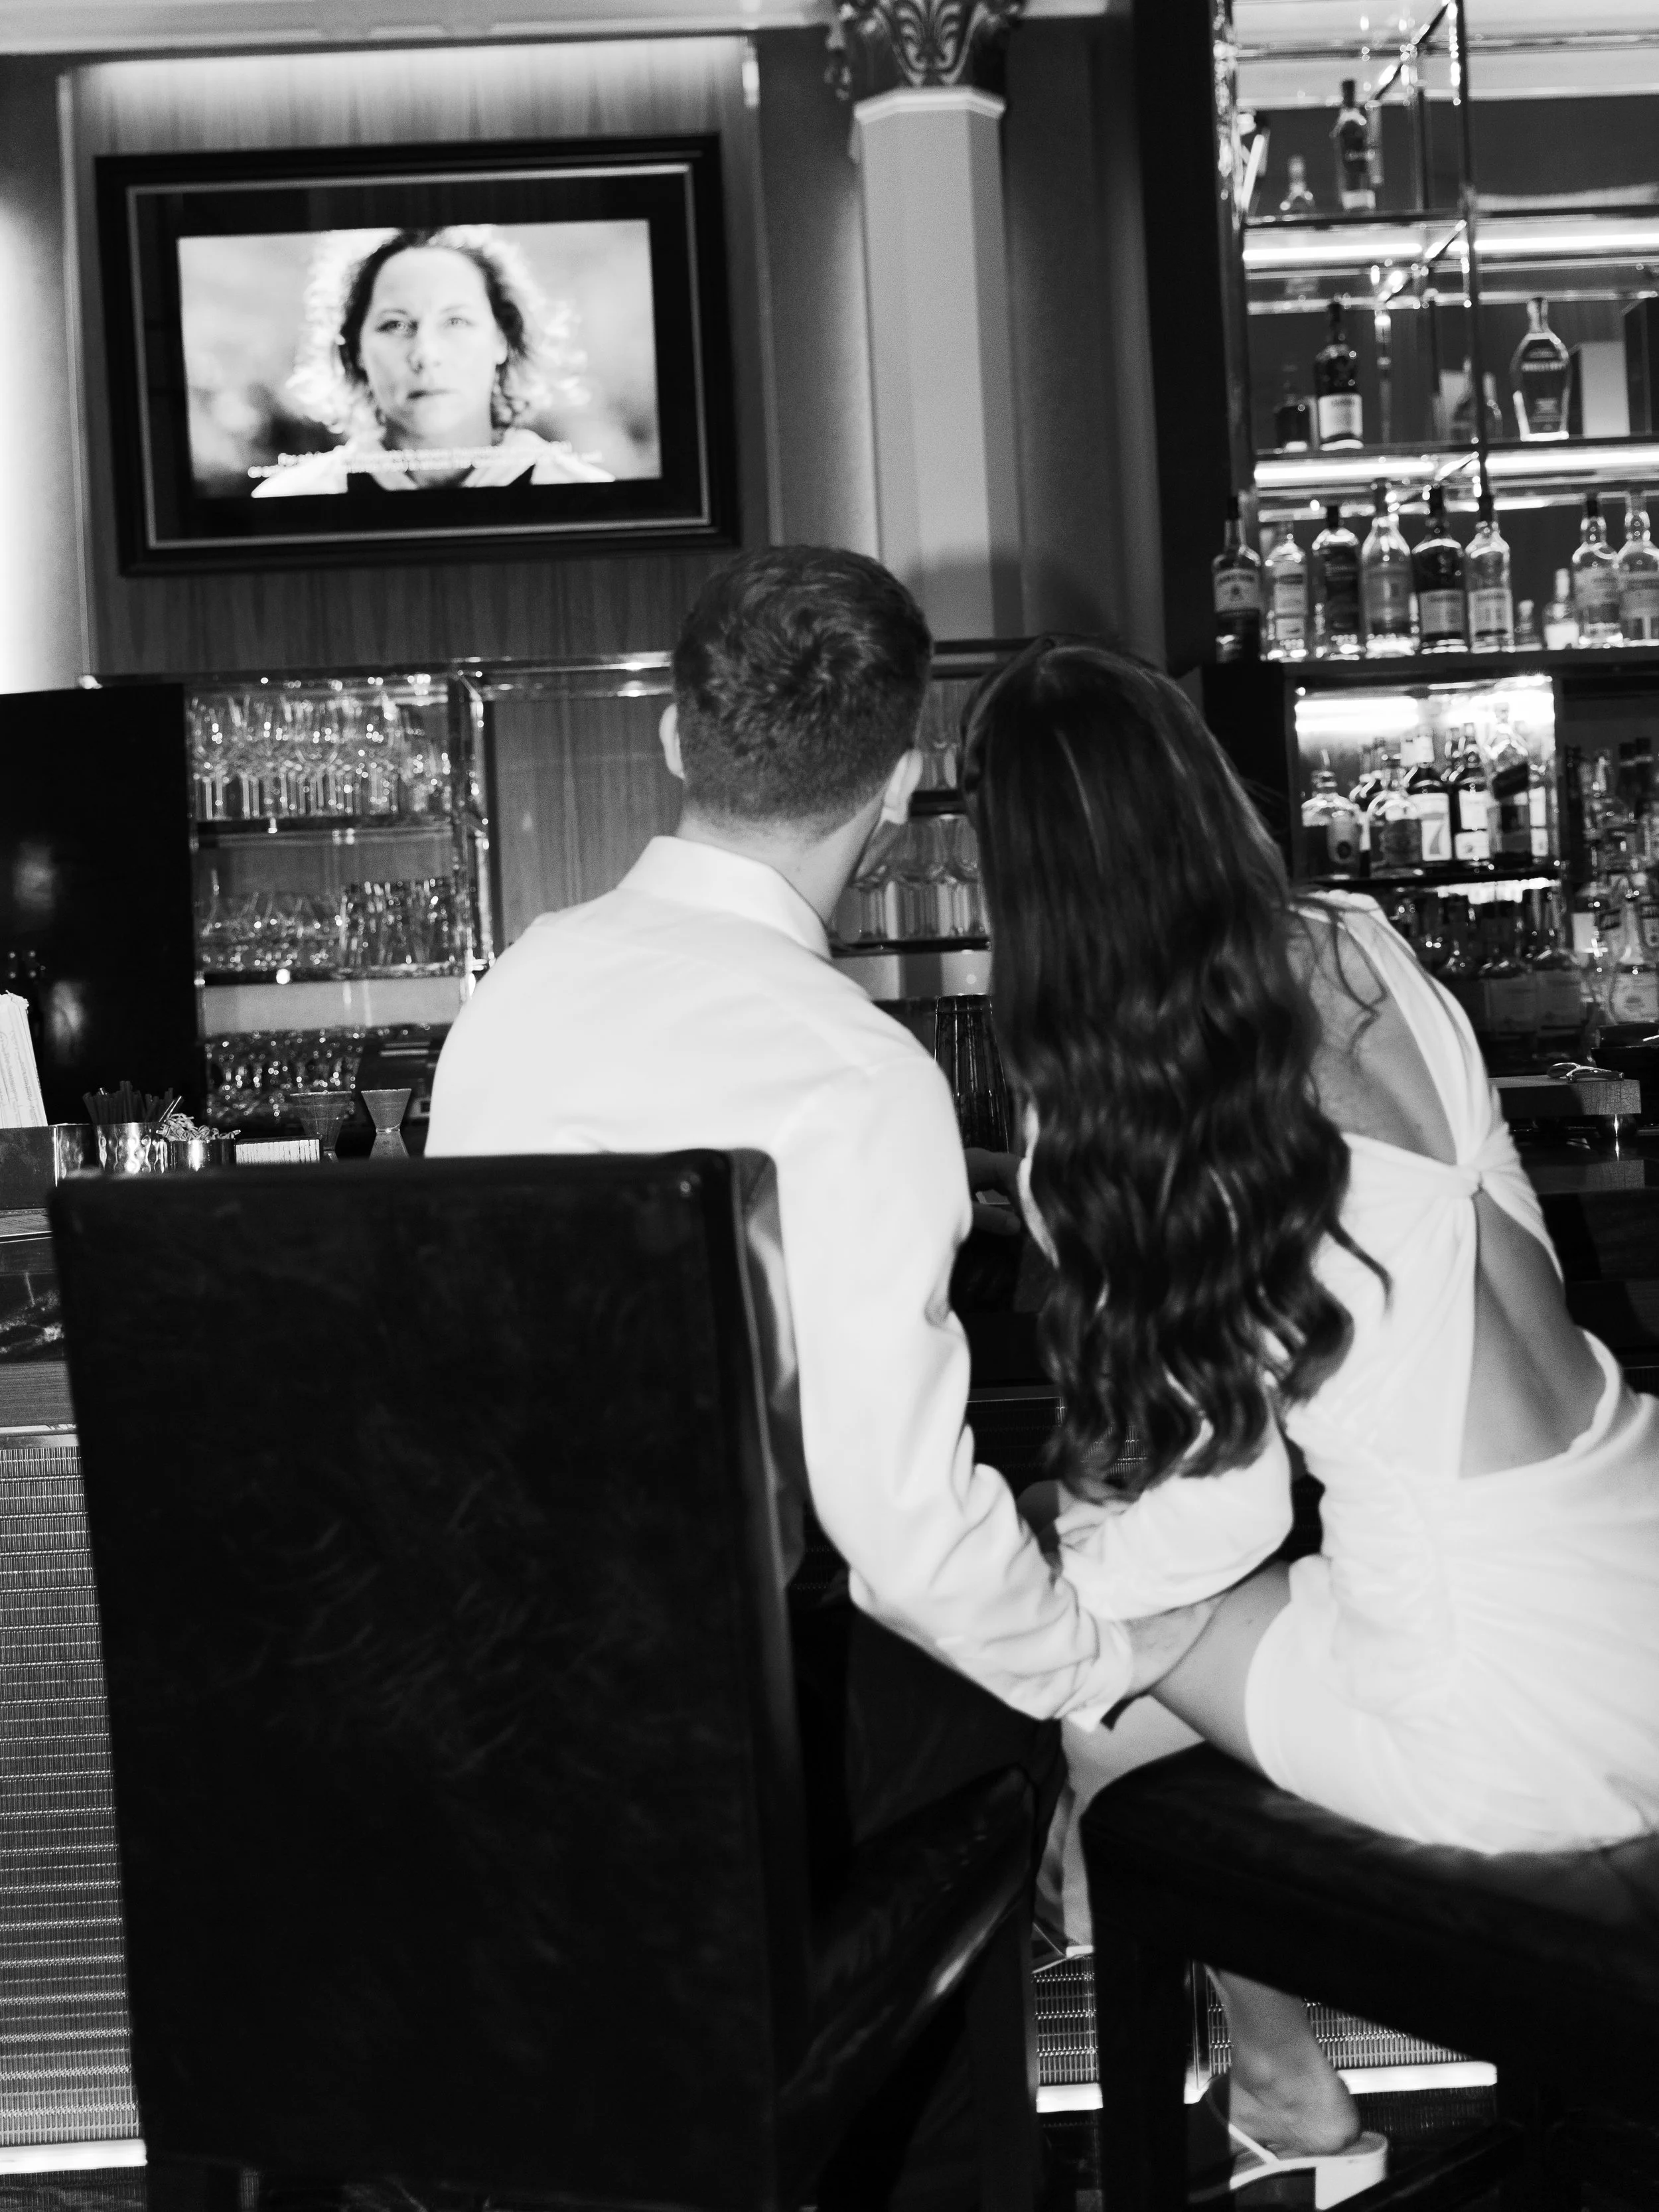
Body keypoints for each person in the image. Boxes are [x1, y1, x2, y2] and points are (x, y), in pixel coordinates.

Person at [425, 550, 1222, 2207]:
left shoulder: (510, 996)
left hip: (515, 1731)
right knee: (997, 1701)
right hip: (750, 1764)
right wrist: (1092, 1661)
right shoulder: (856, 1072)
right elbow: (905, 1535)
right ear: (911, 775)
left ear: (669, 741)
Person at [964, 637, 1659, 2201]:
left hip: (1509, 1717)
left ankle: (1294, 2102)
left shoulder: (1113, 1098)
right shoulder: (1358, 946)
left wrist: (1025, 1566)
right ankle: (1265, 2067)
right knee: (1132, 1617)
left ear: (1025, 880)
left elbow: (1212, 1517)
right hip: (1639, 1578)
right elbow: (1520, 1250)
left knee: (1099, 1671)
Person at [253, 226, 613, 496]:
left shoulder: (588, 496)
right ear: (355, 350)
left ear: (502, 339)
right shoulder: (290, 499)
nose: (425, 354)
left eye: (455, 321)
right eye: (395, 325)